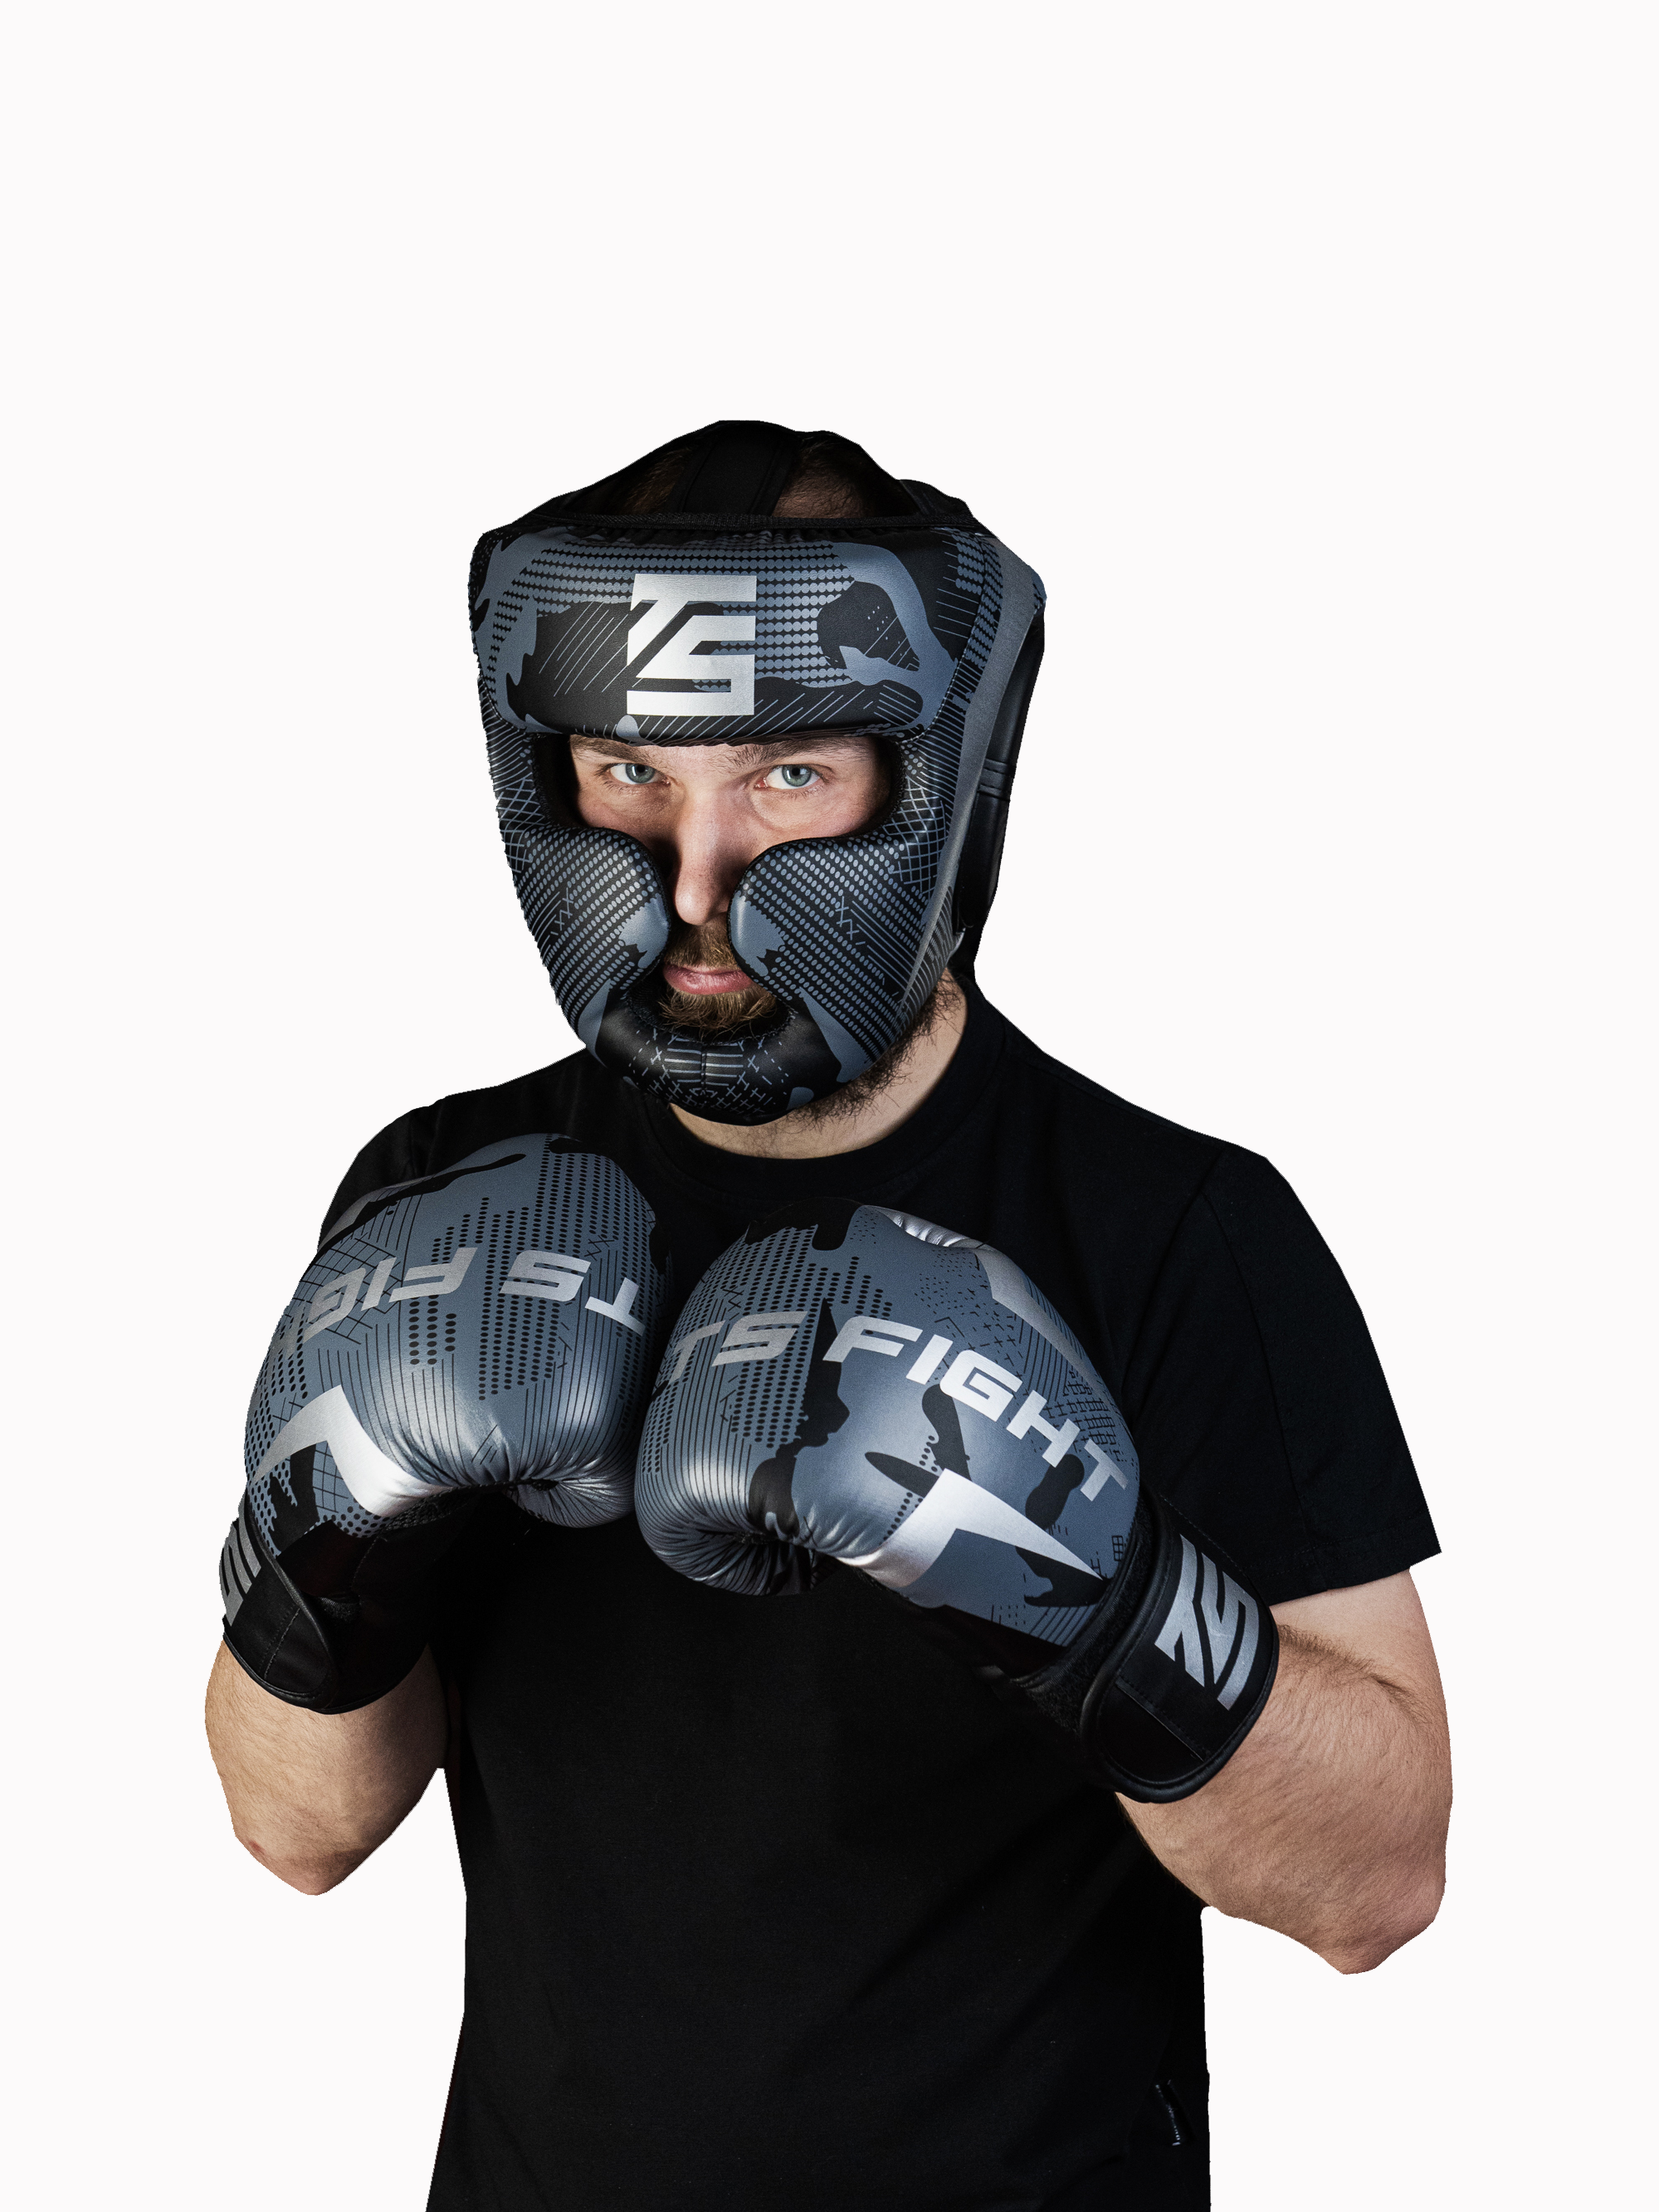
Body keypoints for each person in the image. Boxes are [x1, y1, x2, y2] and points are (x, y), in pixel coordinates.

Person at [206, 421, 1451, 2211]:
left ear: (939, 778)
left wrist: (1094, 1600)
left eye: (789, 774)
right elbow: (297, 1827)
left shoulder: (1177, 1229)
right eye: (630, 771)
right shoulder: (440, 1188)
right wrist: (343, 1542)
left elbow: (1377, 1885)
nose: (695, 878)